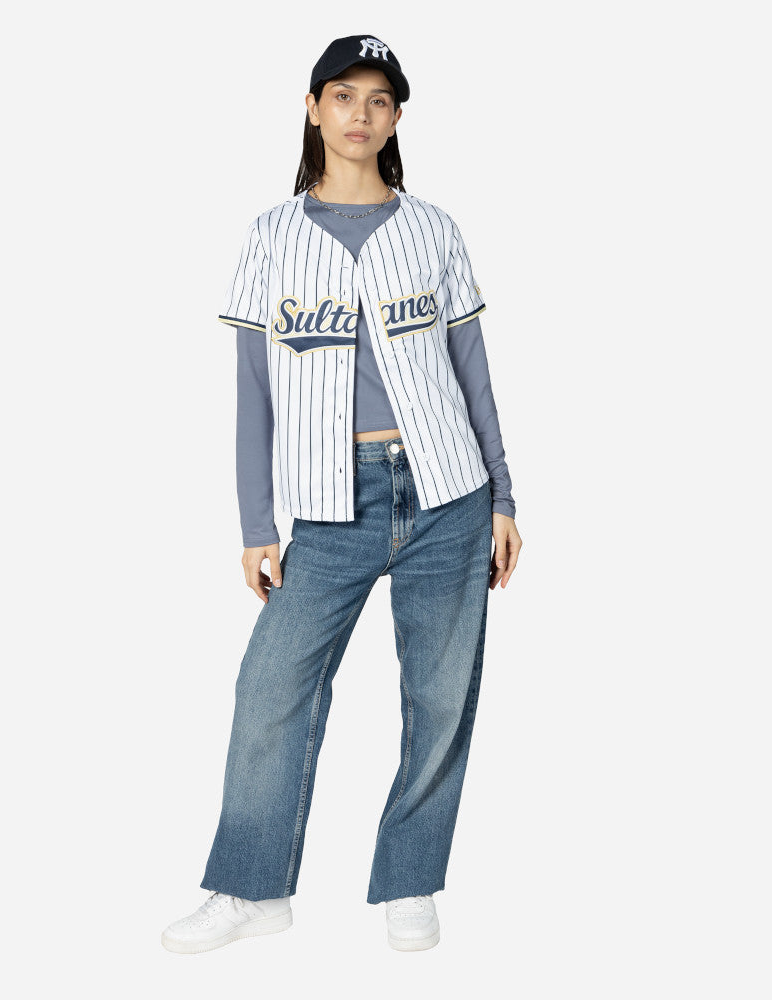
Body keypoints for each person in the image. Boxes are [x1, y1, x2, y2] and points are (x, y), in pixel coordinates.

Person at [162, 34, 522, 955]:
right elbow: (251, 386)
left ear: (397, 118)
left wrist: (504, 499)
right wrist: (255, 523)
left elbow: (472, 370)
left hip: (449, 492)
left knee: (439, 698)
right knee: (269, 688)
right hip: (331, 504)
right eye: (343, 95)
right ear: (313, 107)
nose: (360, 114)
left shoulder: (433, 228)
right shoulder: (271, 234)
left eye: (379, 99)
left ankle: (411, 881)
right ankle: (252, 890)